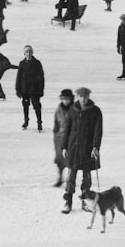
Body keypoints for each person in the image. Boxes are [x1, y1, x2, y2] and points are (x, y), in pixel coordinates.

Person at [60, 86, 102, 214]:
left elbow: (98, 131)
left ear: (89, 96)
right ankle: (68, 201)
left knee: (87, 178)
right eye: (80, 96)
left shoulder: (95, 111)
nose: (83, 99)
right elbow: (66, 130)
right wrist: (64, 146)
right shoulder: (72, 110)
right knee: (71, 177)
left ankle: (85, 201)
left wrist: (95, 147)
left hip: (88, 149)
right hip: (73, 148)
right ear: (77, 97)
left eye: (85, 96)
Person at [15, 45, 45, 131]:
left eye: (30, 52)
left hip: (34, 88)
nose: (28, 54)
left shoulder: (37, 63)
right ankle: (26, 120)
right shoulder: (22, 63)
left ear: (32, 53)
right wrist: (18, 89)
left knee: (37, 106)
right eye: (27, 52)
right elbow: (18, 77)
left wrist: (41, 89)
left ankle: (39, 122)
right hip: (24, 89)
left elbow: (41, 77)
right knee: (25, 105)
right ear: (24, 54)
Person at [51, 88, 74, 187]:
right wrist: (56, 136)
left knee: (71, 160)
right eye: (63, 99)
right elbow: (56, 124)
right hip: (60, 138)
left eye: (67, 99)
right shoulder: (58, 110)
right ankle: (60, 178)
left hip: (71, 138)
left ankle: (70, 180)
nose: (65, 101)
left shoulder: (75, 109)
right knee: (60, 160)